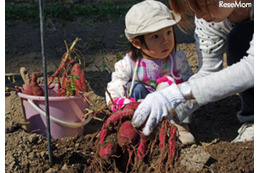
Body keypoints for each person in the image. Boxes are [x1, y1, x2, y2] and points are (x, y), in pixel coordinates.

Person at [132, 0, 254, 143]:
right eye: (194, 5)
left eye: (206, 4)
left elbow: (252, 67)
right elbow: (209, 72)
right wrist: (172, 111)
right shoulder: (208, 21)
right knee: (240, 40)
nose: (200, 14)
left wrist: (176, 93)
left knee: (241, 37)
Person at [105, 0, 195, 144]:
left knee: (175, 88)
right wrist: (120, 103)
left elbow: (191, 82)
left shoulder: (177, 59)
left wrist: (173, 81)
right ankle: (137, 127)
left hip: (170, 107)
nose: (165, 41)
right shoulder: (129, 64)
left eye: (168, 32)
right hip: (141, 106)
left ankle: (179, 126)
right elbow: (116, 84)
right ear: (137, 43)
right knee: (135, 87)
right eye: (155, 36)